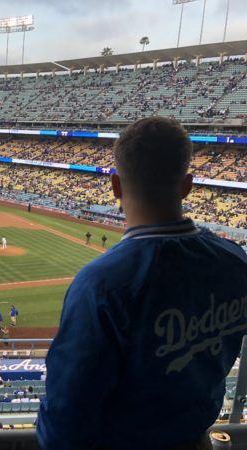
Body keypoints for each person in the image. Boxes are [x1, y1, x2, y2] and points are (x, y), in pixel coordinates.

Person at [36, 117, 247, 450]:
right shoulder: (236, 261)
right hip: (197, 440)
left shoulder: (99, 285)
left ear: (115, 185)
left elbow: (64, 420)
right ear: (188, 185)